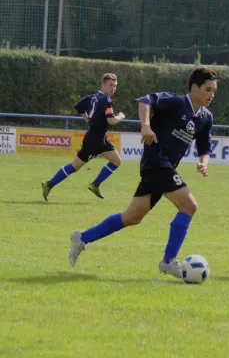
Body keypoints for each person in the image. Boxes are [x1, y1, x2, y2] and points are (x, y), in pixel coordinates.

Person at [68, 66, 218, 280]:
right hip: (156, 162)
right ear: (194, 87)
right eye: (207, 89)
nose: (211, 95)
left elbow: (205, 147)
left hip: (164, 168)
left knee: (132, 217)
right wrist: (146, 126)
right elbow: (145, 101)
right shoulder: (175, 102)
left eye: (213, 91)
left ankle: (82, 237)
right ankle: (168, 261)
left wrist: (204, 162)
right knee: (189, 205)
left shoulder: (205, 117)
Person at [41, 73, 125, 201]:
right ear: (103, 84)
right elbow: (112, 121)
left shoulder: (93, 97)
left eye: (115, 86)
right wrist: (121, 116)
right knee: (75, 166)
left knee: (116, 161)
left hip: (100, 137)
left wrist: (89, 120)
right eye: (110, 85)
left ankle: (95, 185)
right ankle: (49, 184)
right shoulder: (106, 100)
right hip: (94, 140)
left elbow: (79, 107)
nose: (113, 88)